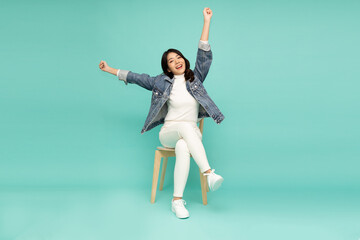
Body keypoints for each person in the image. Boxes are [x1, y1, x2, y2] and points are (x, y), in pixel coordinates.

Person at [99, 7, 224, 219]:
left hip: (192, 134)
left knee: (185, 145)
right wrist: (110, 70)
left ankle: (177, 201)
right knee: (184, 128)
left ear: (184, 59)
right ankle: (209, 173)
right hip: (168, 133)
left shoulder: (196, 79)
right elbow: (136, 77)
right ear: (167, 69)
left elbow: (203, 54)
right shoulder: (160, 82)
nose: (177, 61)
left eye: (178, 57)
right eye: (171, 61)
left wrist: (207, 21)